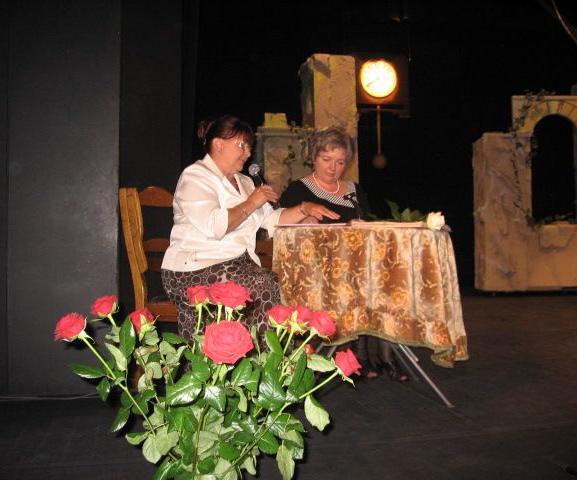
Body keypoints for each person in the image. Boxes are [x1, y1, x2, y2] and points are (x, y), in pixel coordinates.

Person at [161, 115, 338, 345]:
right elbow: (216, 226)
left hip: (237, 265)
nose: (248, 153)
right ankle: (266, 358)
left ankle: (269, 358)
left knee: (286, 284)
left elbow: (271, 219)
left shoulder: (244, 182)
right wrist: (252, 202)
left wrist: (304, 209)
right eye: (242, 146)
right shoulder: (195, 177)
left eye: (249, 147)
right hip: (194, 268)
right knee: (264, 285)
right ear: (218, 144)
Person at [280, 126, 407, 382]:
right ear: (314, 157)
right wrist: (304, 221)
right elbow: (284, 233)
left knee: (389, 278)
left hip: (359, 264)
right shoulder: (298, 190)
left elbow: (367, 225)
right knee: (357, 283)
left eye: (340, 162)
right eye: (326, 159)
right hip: (322, 270)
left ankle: (385, 353)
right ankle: (358, 354)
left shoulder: (352, 190)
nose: (333, 167)